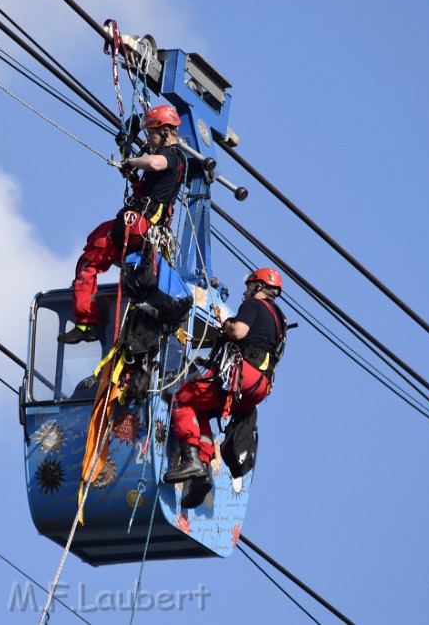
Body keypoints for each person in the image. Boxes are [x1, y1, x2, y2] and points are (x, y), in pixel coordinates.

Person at [58, 104, 187, 344]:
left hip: (141, 228)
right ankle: (86, 322)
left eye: (152, 133)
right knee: (91, 253)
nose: (149, 138)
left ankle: (93, 320)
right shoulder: (161, 159)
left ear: (167, 131)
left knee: (98, 248)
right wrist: (132, 173)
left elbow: (156, 163)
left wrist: (132, 160)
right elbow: (150, 179)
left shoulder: (174, 155)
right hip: (134, 225)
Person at [163, 267, 286, 508]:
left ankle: (190, 458)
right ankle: (202, 468)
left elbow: (239, 331)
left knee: (182, 399)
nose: (246, 290)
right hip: (259, 388)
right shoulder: (279, 320)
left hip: (242, 376)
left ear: (258, 287)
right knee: (202, 412)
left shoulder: (253, 306)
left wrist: (228, 325)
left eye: (250, 286)